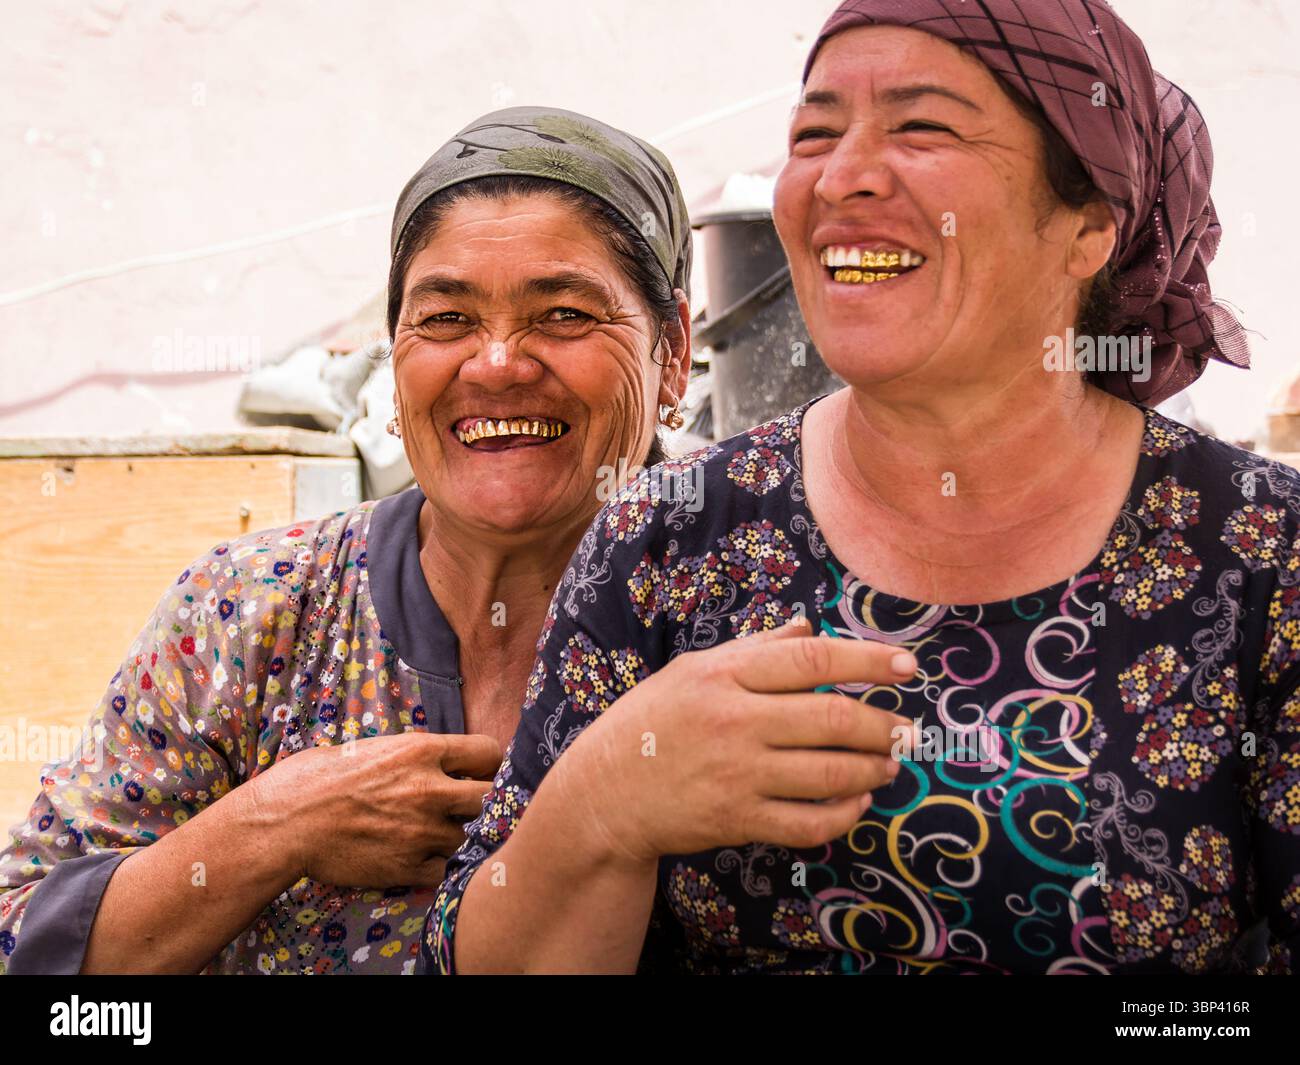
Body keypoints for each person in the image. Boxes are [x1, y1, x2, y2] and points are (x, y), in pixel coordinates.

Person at [423, 0, 1299, 975]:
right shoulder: (669, 535)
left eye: (921, 126)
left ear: (1088, 223)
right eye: (813, 133)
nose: (841, 177)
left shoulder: (1261, 553)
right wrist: (600, 804)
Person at [0, 106, 693, 974]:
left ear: (673, 350)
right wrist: (275, 824)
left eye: (561, 313)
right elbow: (23, 940)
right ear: (393, 359)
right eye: (446, 319)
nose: (498, 363)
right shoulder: (252, 608)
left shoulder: (743, 607)